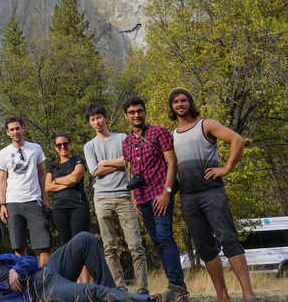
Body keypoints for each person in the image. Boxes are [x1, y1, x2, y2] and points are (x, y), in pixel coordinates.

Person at [169, 88, 255, 302]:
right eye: (176, 102)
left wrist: (226, 168)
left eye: (183, 100)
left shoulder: (205, 124)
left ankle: (248, 294)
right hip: (188, 197)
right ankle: (222, 295)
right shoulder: (171, 135)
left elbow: (238, 140)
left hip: (211, 192)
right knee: (205, 248)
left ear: (190, 102)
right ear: (171, 107)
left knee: (229, 240)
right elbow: (171, 165)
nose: (180, 104)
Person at [0, 232, 164, 302]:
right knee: (90, 291)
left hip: (45, 272)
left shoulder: (0, 260)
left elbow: (29, 260)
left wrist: (14, 270)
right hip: (40, 292)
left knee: (85, 238)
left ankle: (116, 297)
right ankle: (151, 300)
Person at [122, 96, 188, 302]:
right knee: (157, 242)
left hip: (160, 194)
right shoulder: (127, 142)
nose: (136, 115)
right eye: (132, 112)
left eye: (139, 111)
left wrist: (167, 192)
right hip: (142, 198)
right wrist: (133, 198)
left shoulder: (158, 132)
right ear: (126, 116)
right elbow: (131, 171)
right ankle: (177, 291)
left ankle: (177, 286)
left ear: (144, 112)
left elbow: (172, 162)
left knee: (165, 236)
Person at [83, 103, 149, 294]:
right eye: (92, 119)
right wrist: (120, 162)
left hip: (125, 196)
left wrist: (105, 162)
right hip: (102, 199)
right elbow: (94, 171)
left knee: (135, 245)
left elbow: (131, 159)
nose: (97, 122)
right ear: (90, 122)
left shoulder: (122, 138)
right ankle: (119, 289)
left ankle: (142, 290)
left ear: (105, 117)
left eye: (99, 117)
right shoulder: (89, 146)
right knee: (109, 247)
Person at [0, 116, 52, 265]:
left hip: (33, 200)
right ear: (7, 132)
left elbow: (42, 174)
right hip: (13, 202)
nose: (15, 132)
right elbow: (1, 180)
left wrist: (45, 199)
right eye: (12, 129)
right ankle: (23, 282)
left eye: (17, 128)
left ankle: (44, 279)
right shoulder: (4, 153)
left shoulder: (35, 148)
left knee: (44, 244)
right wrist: (2, 205)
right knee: (19, 246)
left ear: (23, 129)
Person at [44, 133, 89, 282]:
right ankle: (73, 286)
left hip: (78, 206)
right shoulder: (52, 165)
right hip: (59, 209)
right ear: (55, 147)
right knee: (67, 247)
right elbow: (48, 187)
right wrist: (66, 181)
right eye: (59, 145)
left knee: (81, 245)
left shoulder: (78, 160)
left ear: (70, 144)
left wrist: (57, 180)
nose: (62, 147)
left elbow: (75, 178)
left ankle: (86, 288)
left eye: (65, 144)